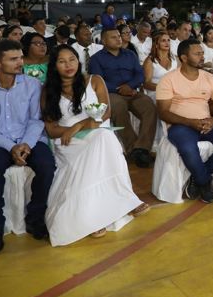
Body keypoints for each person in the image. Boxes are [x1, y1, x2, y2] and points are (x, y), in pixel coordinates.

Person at [41, 45, 149, 245]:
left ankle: (111, 207)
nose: (68, 65)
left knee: (103, 137)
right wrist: (72, 130)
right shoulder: (48, 91)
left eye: (72, 59)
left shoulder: (94, 80)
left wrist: (80, 125)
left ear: (79, 60)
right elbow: (51, 129)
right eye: (62, 61)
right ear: (54, 66)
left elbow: (105, 114)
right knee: (103, 141)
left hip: (96, 132)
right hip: (68, 142)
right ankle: (108, 210)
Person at [0, 39, 55, 254]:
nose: (20, 62)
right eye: (13, 59)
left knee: (47, 166)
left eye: (21, 57)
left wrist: (25, 145)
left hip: (28, 139)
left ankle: (35, 218)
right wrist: (9, 146)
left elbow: (36, 120)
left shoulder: (32, 85)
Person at [156, 39, 213, 204]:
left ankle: (198, 177)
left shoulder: (209, 78)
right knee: (188, 149)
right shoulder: (168, 79)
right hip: (181, 125)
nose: (202, 56)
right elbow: (163, 113)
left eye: (202, 53)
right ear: (184, 58)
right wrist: (190, 122)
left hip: (206, 122)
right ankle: (204, 183)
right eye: (197, 53)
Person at [89, 28, 157, 168]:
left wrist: (130, 87)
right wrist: (119, 89)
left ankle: (142, 148)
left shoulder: (130, 55)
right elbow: (98, 81)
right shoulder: (96, 59)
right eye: (113, 37)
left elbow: (140, 75)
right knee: (118, 107)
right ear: (104, 41)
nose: (119, 39)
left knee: (149, 106)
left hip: (132, 91)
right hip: (110, 93)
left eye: (119, 36)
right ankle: (133, 148)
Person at [143, 31, 178, 101]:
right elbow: (146, 84)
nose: (167, 43)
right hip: (156, 92)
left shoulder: (175, 58)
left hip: (174, 91)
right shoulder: (150, 61)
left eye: (168, 40)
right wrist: (164, 88)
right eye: (163, 41)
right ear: (156, 44)